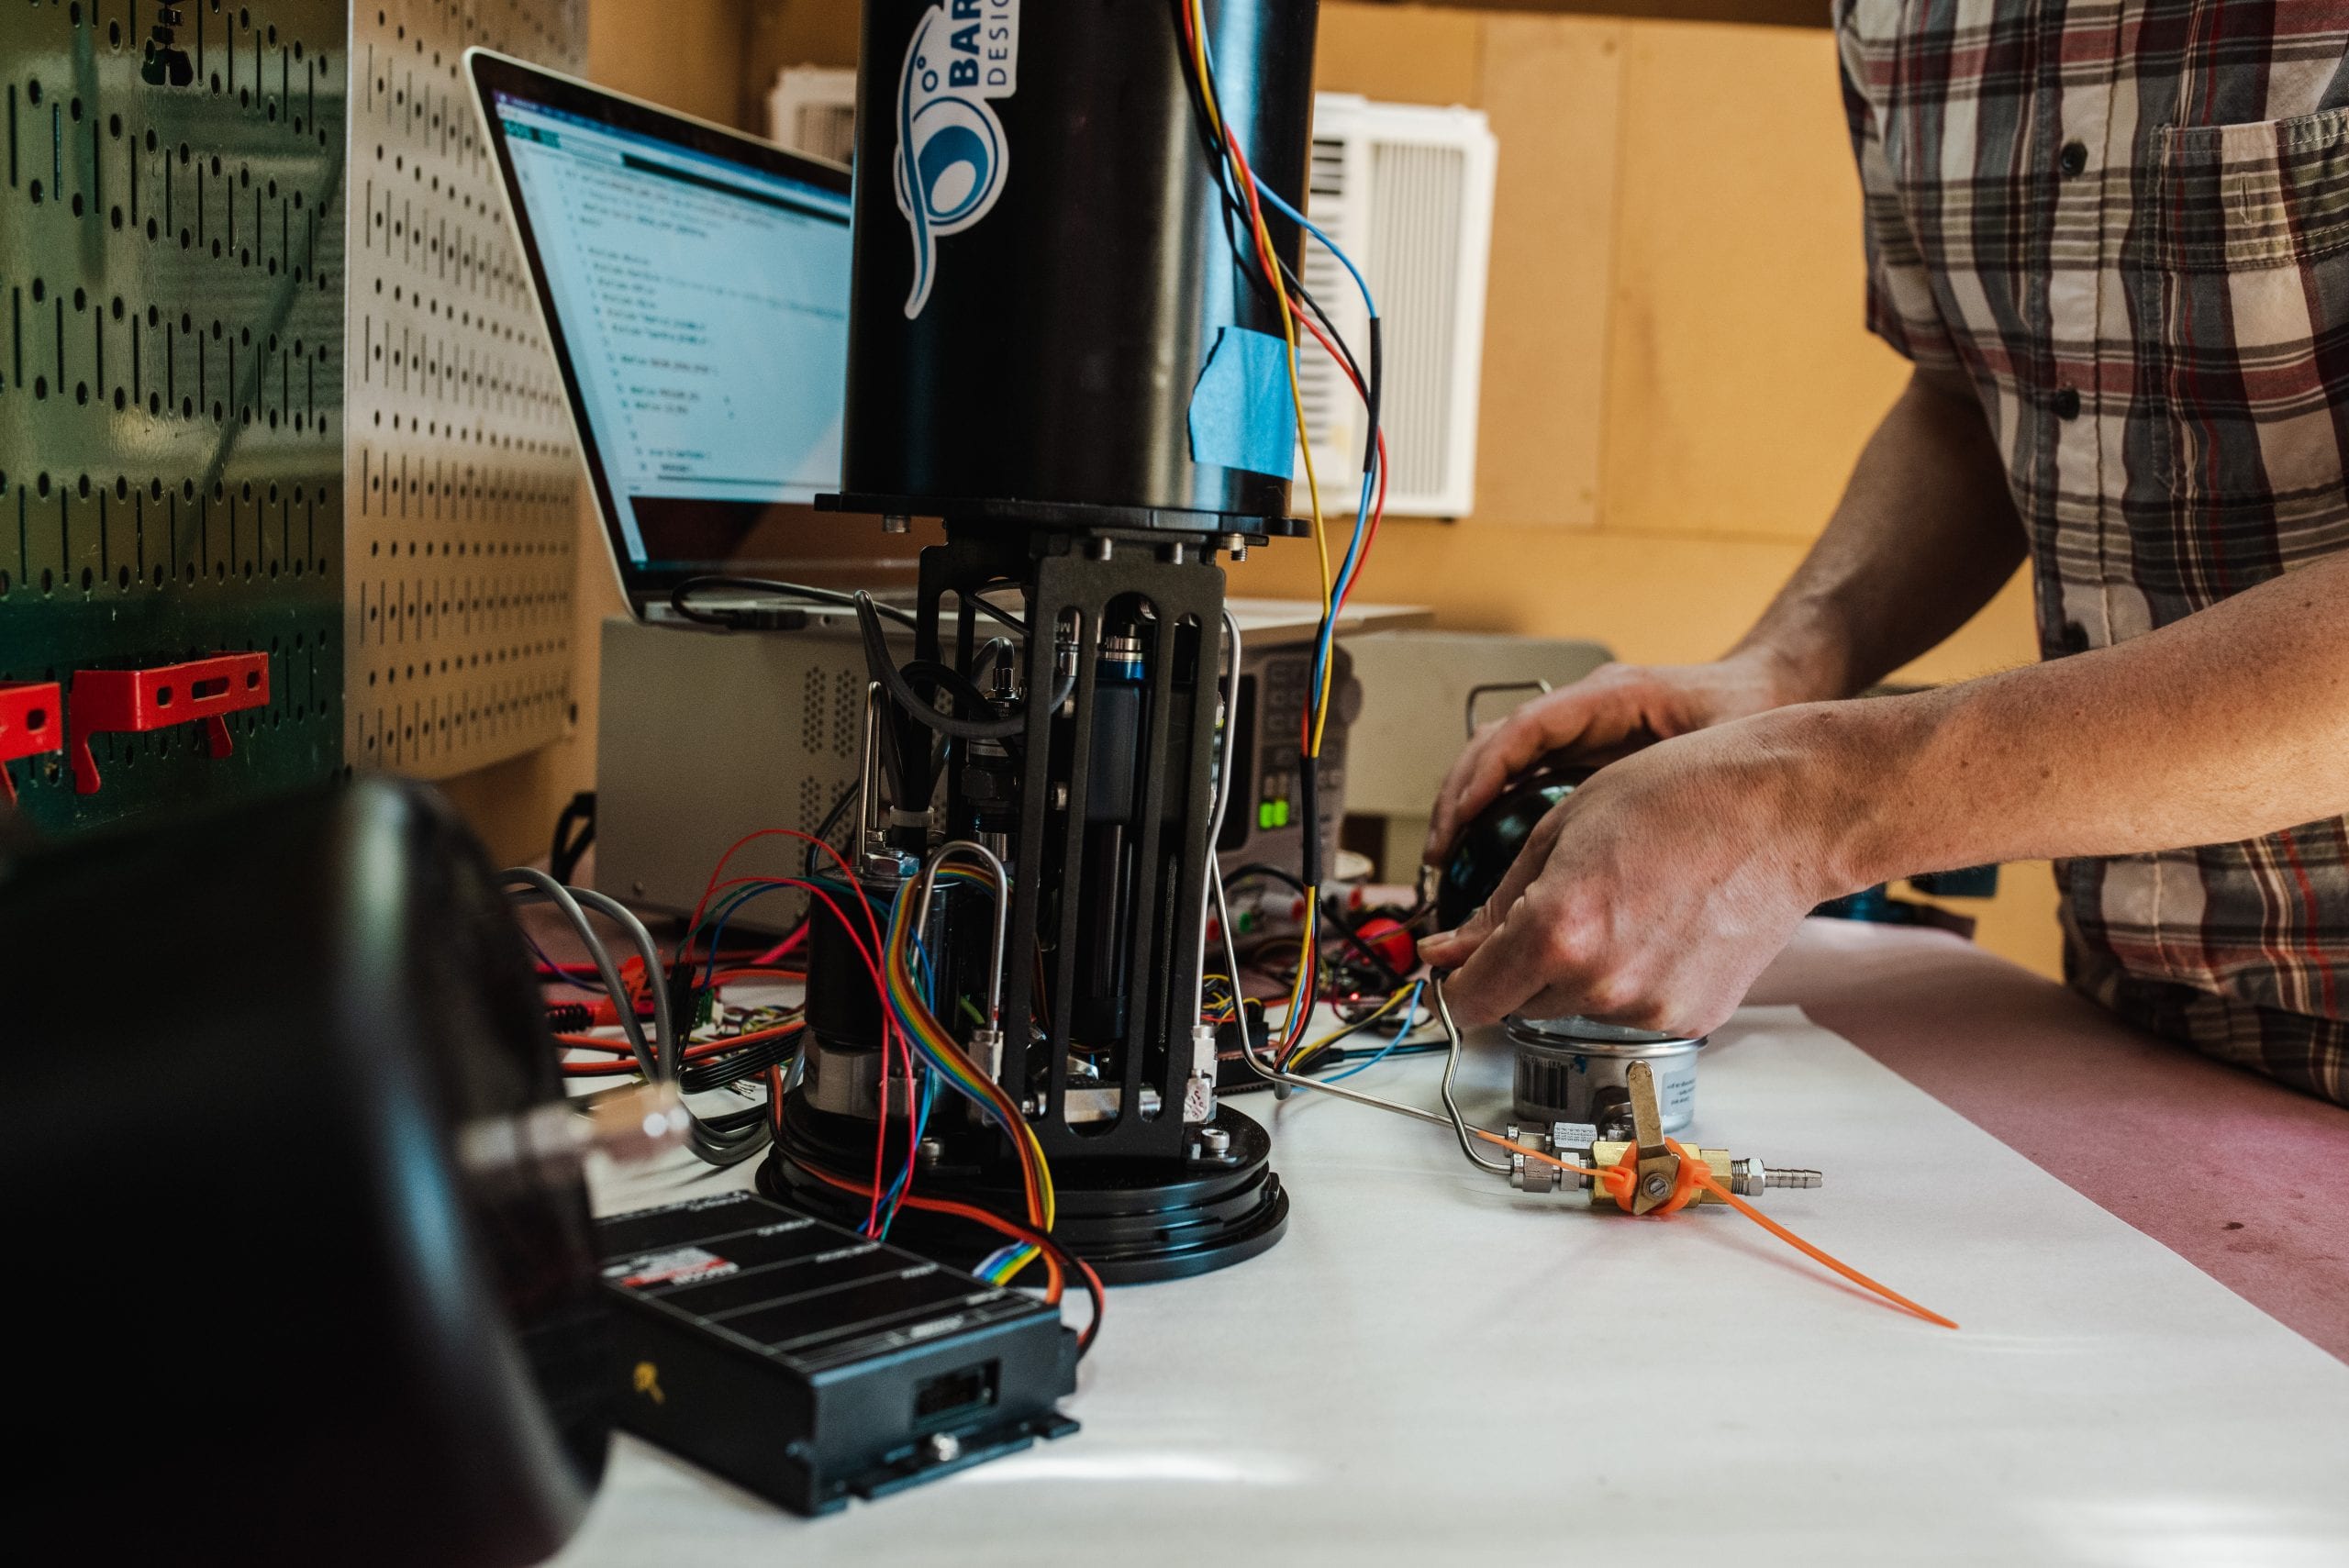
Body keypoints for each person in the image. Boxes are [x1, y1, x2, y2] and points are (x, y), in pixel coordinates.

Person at [1418, 0, 2349, 1108]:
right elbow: (1976, 391)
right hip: (2129, 1017)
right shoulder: (1896, 16)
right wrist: (1781, 673)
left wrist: (1803, 795)